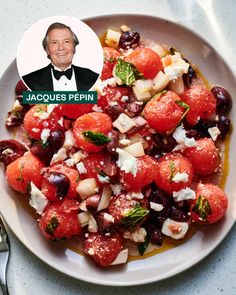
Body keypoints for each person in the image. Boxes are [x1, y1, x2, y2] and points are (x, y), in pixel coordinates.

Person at [22, 22, 99, 91]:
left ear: (74, 47)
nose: (61, 48)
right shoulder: (30, 80)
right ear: (47, 49)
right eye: (55, 43)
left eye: (66, 42)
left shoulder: (92, 77)